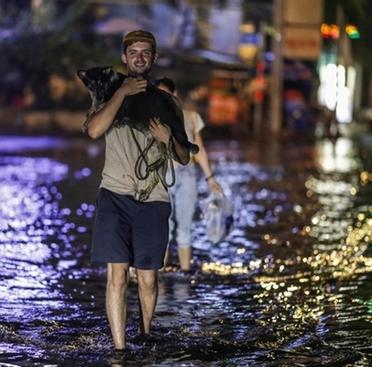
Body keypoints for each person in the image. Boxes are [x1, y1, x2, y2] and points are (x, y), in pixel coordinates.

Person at [83, 30, 191, 351]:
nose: (139, 57)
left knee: (147, 279)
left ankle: (145, 336)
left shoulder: (168, 103)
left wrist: (167, 139)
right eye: (134, 52)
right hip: (114, 195)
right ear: (124, 58)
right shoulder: (107, 92)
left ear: (153, 58)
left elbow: (184, 157)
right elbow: (93, 130)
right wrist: (122, 94)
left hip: (153, 199)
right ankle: (119, 350)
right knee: (116, 276)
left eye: (146, 52)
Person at [155, 77, 221, 272]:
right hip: (162, 175)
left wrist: (210, 178)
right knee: (163, 229)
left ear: (174, 95)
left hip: (187, 175)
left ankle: (184, 273)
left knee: (185, 227)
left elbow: (199, 148)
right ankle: (159, 274)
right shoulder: (153, 122)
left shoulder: (191, 117)